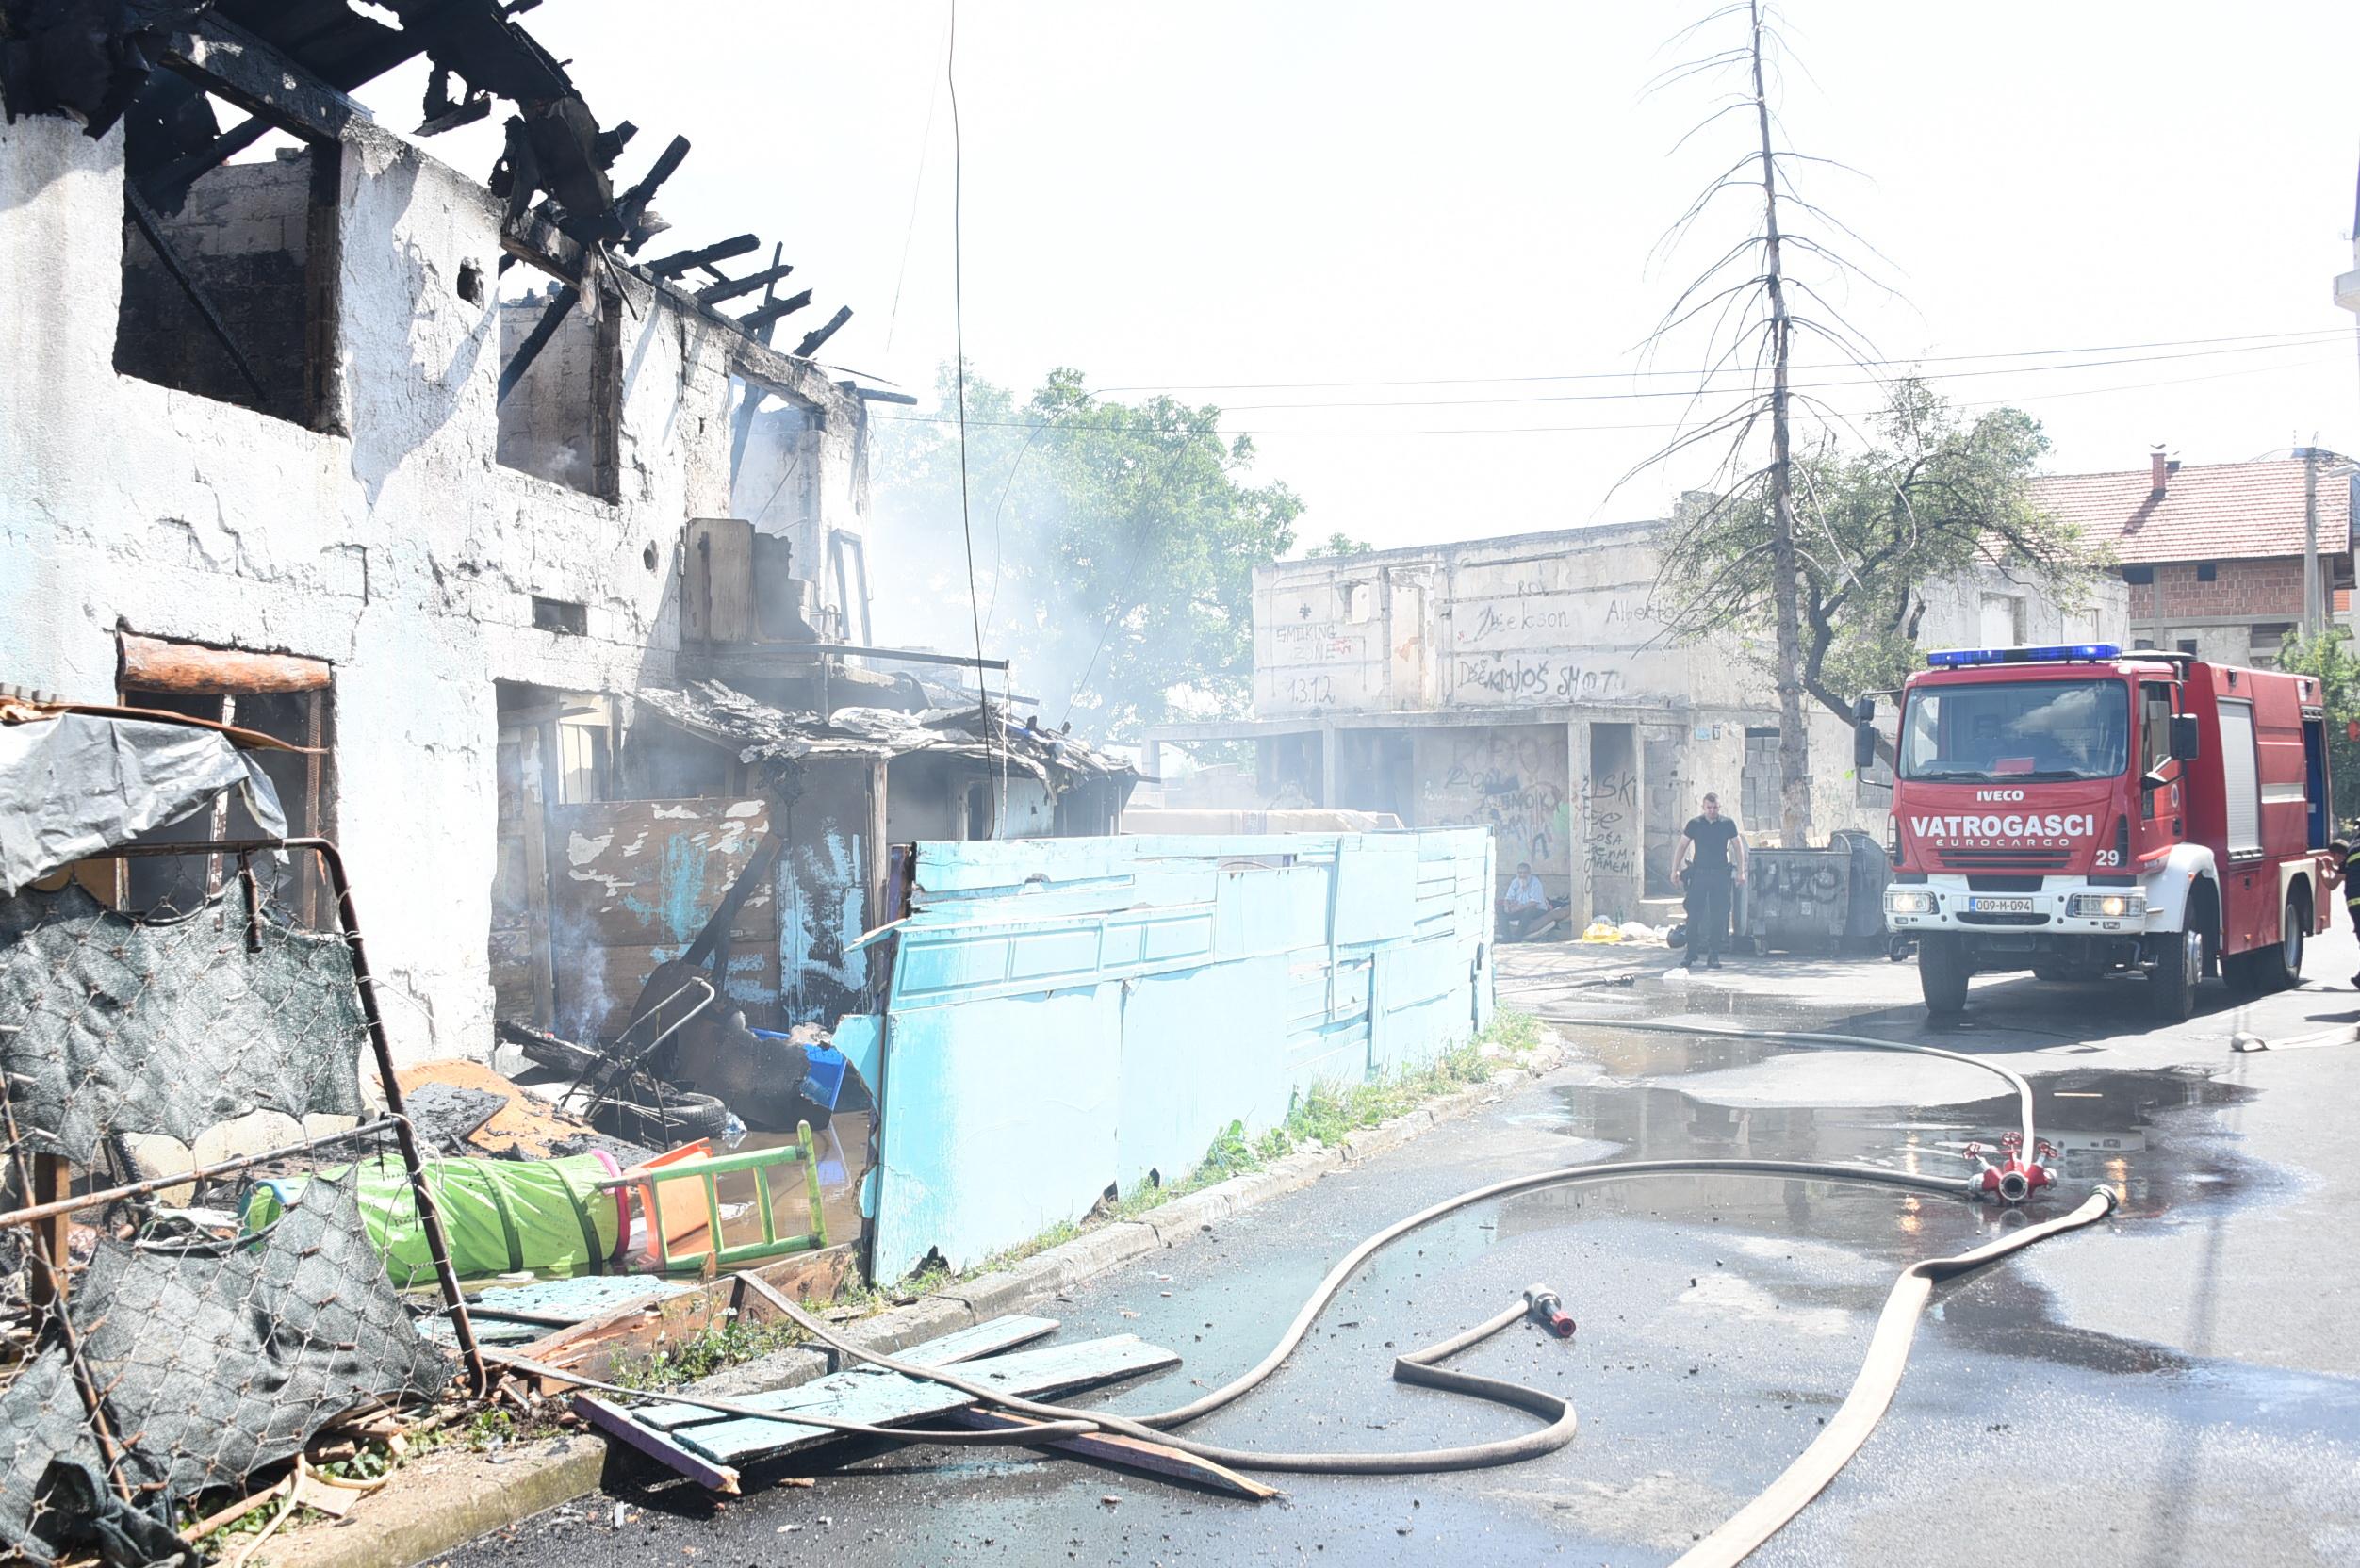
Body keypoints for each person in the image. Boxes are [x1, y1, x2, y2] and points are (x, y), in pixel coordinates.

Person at [1673, 792, 1745, 969]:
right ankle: (1691, 954)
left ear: (1719, 807)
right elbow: (1682, 846)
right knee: (1694, 916)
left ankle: (1713, 956)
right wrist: (1674, 869)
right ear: (1704, 807)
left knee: (1718, 917)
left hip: (1720, 875)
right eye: (1709, 808)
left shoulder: (1727, 824)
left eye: (1715, 808)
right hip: (1699, 875)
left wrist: (1741, 872)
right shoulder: (1695, 824)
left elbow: (1738, 846)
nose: (1712, 811)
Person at [1498, 861, 1554, 941]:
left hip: (1537, 911)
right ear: (1517, 873)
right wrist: (1507, 906)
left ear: (1529, 873)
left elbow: (1534, 902)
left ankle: (1517, 936)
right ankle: (1506, 937)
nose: (1522, 875)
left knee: (1530, 908)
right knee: (1500, 908)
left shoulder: (1535, 882)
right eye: (1520, 873)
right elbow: (1508, 898)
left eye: (1525, 873)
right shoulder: (1515, 882)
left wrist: (1517, 908)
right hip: (1521, 911)